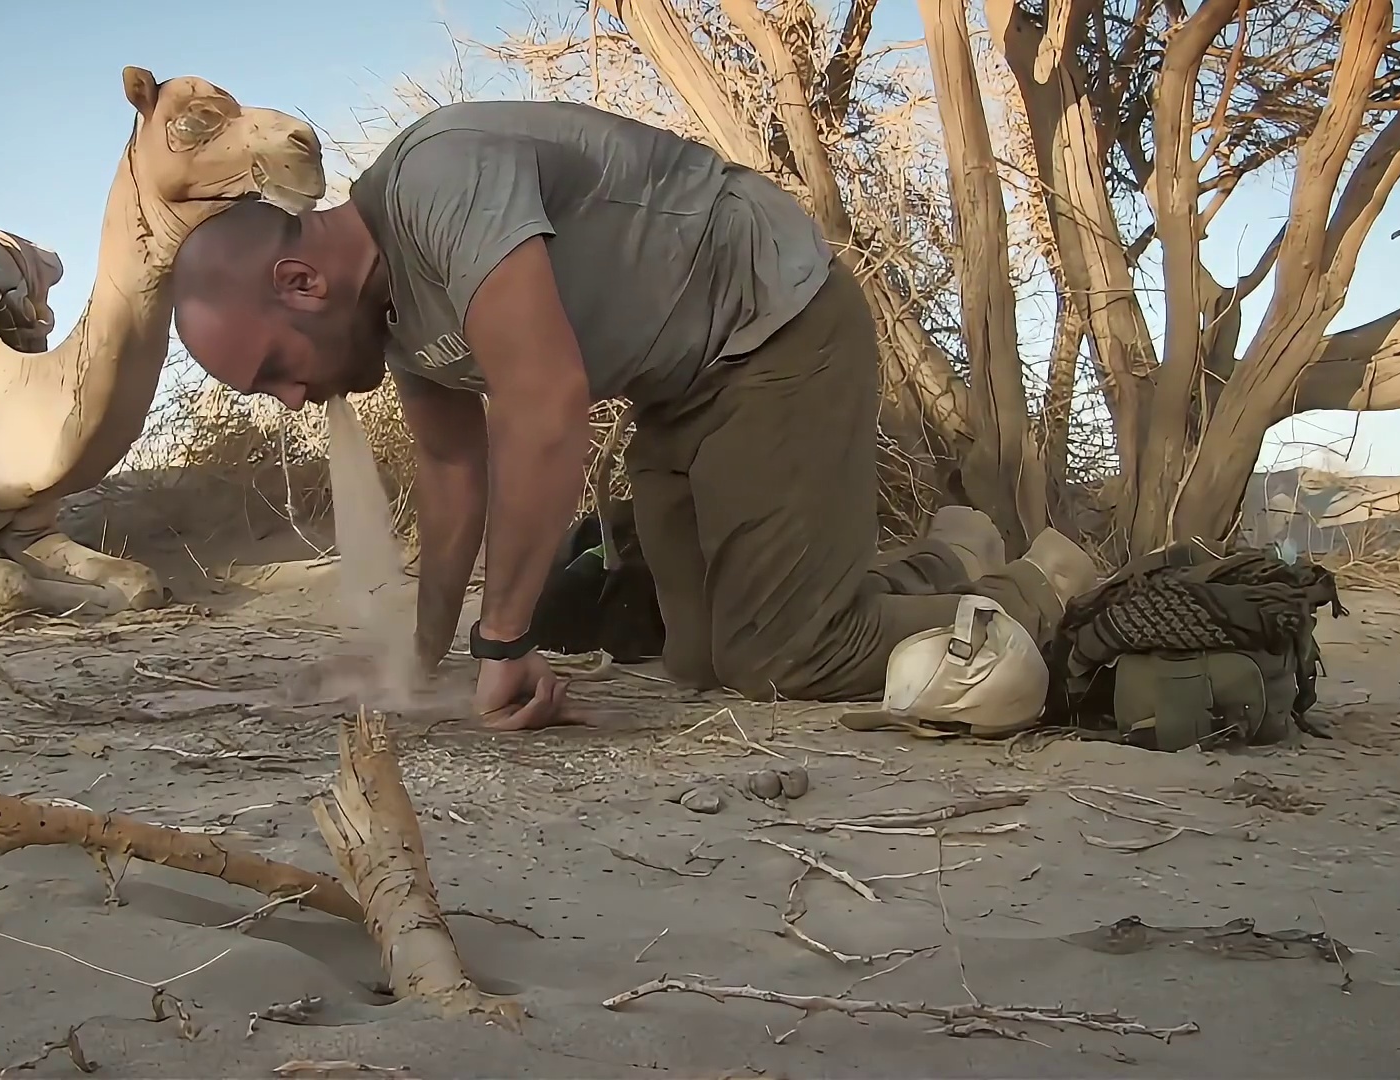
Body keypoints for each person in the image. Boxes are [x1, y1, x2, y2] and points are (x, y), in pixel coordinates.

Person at [170, 99, 1098, 732]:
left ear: (300, 281)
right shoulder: (393, 323)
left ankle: (1042, 581)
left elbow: (546, 405)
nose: (294, 400)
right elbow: (454, 474)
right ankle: (951, 554)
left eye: (275, 373)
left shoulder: (436, 184)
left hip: (774, 329)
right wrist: (414, 658)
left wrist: (504, 640)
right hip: (681, 391)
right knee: (696, 656)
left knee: (784, 656)